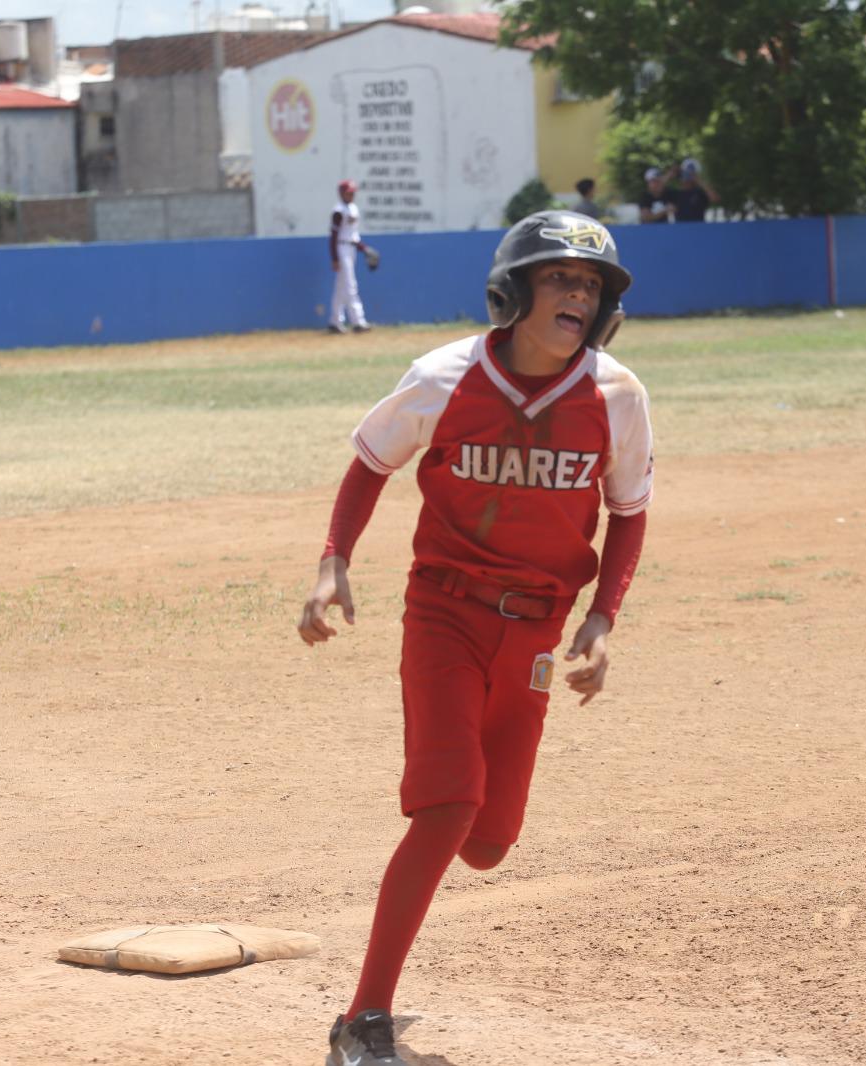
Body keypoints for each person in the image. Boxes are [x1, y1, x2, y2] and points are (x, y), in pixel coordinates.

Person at [298, 209, 654, 1066]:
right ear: (515, 288)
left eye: (591, 284)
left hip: (534, 633)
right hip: (445, 615)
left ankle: (439, 834)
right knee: (449, 805)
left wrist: (601, 618)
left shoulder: (617, 395)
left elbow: (628, 514)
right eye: (560, 277)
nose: (578, 293)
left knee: (488, 844)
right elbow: (370, 463)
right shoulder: (444, 375)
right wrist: (332, 562)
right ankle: (365, 1019)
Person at [329, 179, 376, 334]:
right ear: (341, 193)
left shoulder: (354, 209)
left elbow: (353, 236)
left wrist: (365, 249)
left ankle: (335, 321)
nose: (351, 195)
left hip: (351, 248)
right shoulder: (338, 211)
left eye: (353, 192)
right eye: (348, 192)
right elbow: (334, 236)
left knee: (341, 287)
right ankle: (358, 322)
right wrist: (334, 258)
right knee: (350, 285)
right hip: (341, 248)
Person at [671, 157, 720, 223]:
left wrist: (699, 181)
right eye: (685, 173)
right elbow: (656, 188)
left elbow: (715, 199)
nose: (687, 177)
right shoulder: (675, 193)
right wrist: (671, 174)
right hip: (680, 229)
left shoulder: (700, 192)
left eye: (691, 173)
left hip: (698, 229)